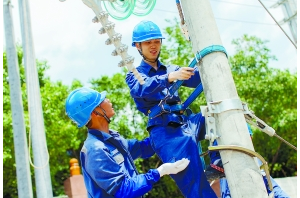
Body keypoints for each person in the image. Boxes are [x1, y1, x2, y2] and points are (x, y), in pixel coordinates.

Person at [125, 20, 220, 198]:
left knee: (218, 113)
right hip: (165, 133)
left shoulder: (171, 68)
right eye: (147, 42)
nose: (153, 46)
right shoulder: (134, 74)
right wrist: (169, 77)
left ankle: (218, 163)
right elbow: (142, 88)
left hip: (186, 123)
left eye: (156, 41)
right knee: (195, 187)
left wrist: (211, 61)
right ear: (138, 46)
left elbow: (199, 79)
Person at [65, 87, 190, 198]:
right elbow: (123, 190)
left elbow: (142, 148)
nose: (108, 100)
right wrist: (160, 171)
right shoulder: (95, 150)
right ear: (95, 112)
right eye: (102, 100)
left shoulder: (112, 138)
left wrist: (167, 130)